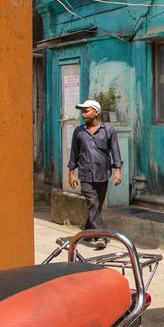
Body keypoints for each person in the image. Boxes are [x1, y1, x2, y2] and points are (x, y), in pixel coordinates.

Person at [67, 99, 121, 250]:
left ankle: (87, 232)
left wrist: (118, 170)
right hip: (85, 174)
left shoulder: (109, 130)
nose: (84, 114)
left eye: (87, 111)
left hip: (103, 173)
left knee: (97, 206)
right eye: (83, 111)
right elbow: (74, 154)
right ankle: (101, 237)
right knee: (92, 203)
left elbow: (115, 151)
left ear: (96, 112)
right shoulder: (79, 131)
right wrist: (71, 172)